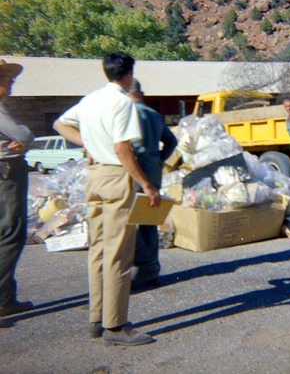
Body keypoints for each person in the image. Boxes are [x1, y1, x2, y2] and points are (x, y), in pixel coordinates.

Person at [53, 52, 161, 347]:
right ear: (128, 75)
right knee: (118, 254)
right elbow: (122, 148)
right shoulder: (122, 102)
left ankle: (97, 317)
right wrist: (146, 184)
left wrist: (86, 143)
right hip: (115, 176)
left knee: (98, 250)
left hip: (94, 176)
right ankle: (115, 325)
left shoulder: (90, 100)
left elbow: (60, 125)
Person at [127, 78, 177, 289]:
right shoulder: (154, 115)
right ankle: (151, 268)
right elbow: (172, 141)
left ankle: (141, 268)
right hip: (153, 171)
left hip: (135, 172)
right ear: (142, 94)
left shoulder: (127, 114)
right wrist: (158, 159)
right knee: (148, 219)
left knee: (131, 221)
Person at [0, 59, 35, 318]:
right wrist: (27, 135)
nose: (10, 83)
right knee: (12, 233)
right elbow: (23, 136)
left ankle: (6, 296)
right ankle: (2, 298)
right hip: (8, 172)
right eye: (5, 79)